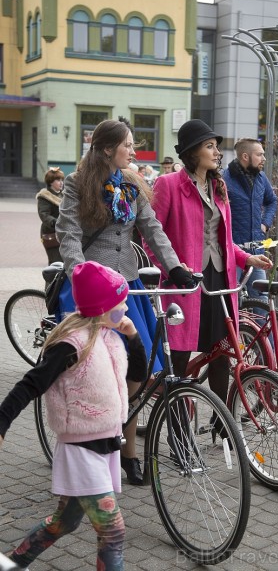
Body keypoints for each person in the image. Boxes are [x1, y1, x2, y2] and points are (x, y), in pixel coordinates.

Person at [55, 119, 193, 486]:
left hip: (128, 286)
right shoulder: (76, 183)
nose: (133, 151)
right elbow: (67, 234)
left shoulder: (132, 183)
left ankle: (127, 450)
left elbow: (152, 229)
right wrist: (79, 273)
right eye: (128, 145)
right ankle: (84, 443)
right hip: (91, 289)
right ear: (106, 149)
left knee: (138, 373)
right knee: (94, 373)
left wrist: (175, 267)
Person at [0, 261, 148, 570]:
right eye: (120, 302)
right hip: (81, 450)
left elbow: (138, 374)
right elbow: (31, 384)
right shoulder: (71, 344)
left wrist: (133, 338)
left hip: (105, 444)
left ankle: (13, 563)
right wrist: (2, 422)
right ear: (101, 307)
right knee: (113, 531)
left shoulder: (109, 335)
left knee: (63, 523)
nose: (125, 307)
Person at [143, 119, 272, 408]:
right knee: (178, 355)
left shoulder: (218, 187)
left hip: (219, 280)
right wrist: (170, 269)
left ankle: (222, 418)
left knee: (221, 353)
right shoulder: (168, 184)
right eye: (210, 146)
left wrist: (246, 258)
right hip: (184, 281)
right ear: (192, 152)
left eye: (216, 147)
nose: (217, 153)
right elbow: (150, 235)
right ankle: (177, 425)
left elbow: (223, 241)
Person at [223, 137, 278, 303]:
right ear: (245, 156)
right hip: (233, 253)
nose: (264, 158)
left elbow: (272, 200)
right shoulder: (223, 179)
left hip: (257, 251)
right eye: (259, 155)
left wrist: (265, 224)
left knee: (262, 301)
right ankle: (237, 330)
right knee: (232, 301)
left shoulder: (261, 177)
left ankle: (260, 330)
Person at [36, 167, 64, 264]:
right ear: (50, 182)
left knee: (65, 262)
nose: (61, 183)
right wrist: (56, 222)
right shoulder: (44, 196)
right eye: (58, 180)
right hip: (51, 233)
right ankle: (50, 280)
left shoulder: (64, 195)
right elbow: (44, 215)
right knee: (55, 262)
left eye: (62, 180)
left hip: (64, 232)